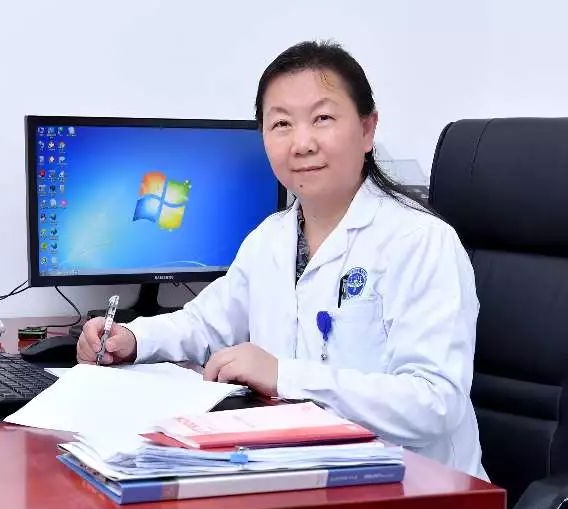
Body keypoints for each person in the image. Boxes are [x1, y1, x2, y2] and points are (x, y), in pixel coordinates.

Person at [76, 40, 486, 479]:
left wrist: (283, 376)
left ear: (367, 130)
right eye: (282, 124)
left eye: (322, 118)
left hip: (416, 491)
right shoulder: (270, 238)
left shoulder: (421, 241)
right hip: (300, 476)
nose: (302, 143)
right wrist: (132, 339)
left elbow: (435, 403)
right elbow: (205, 323)